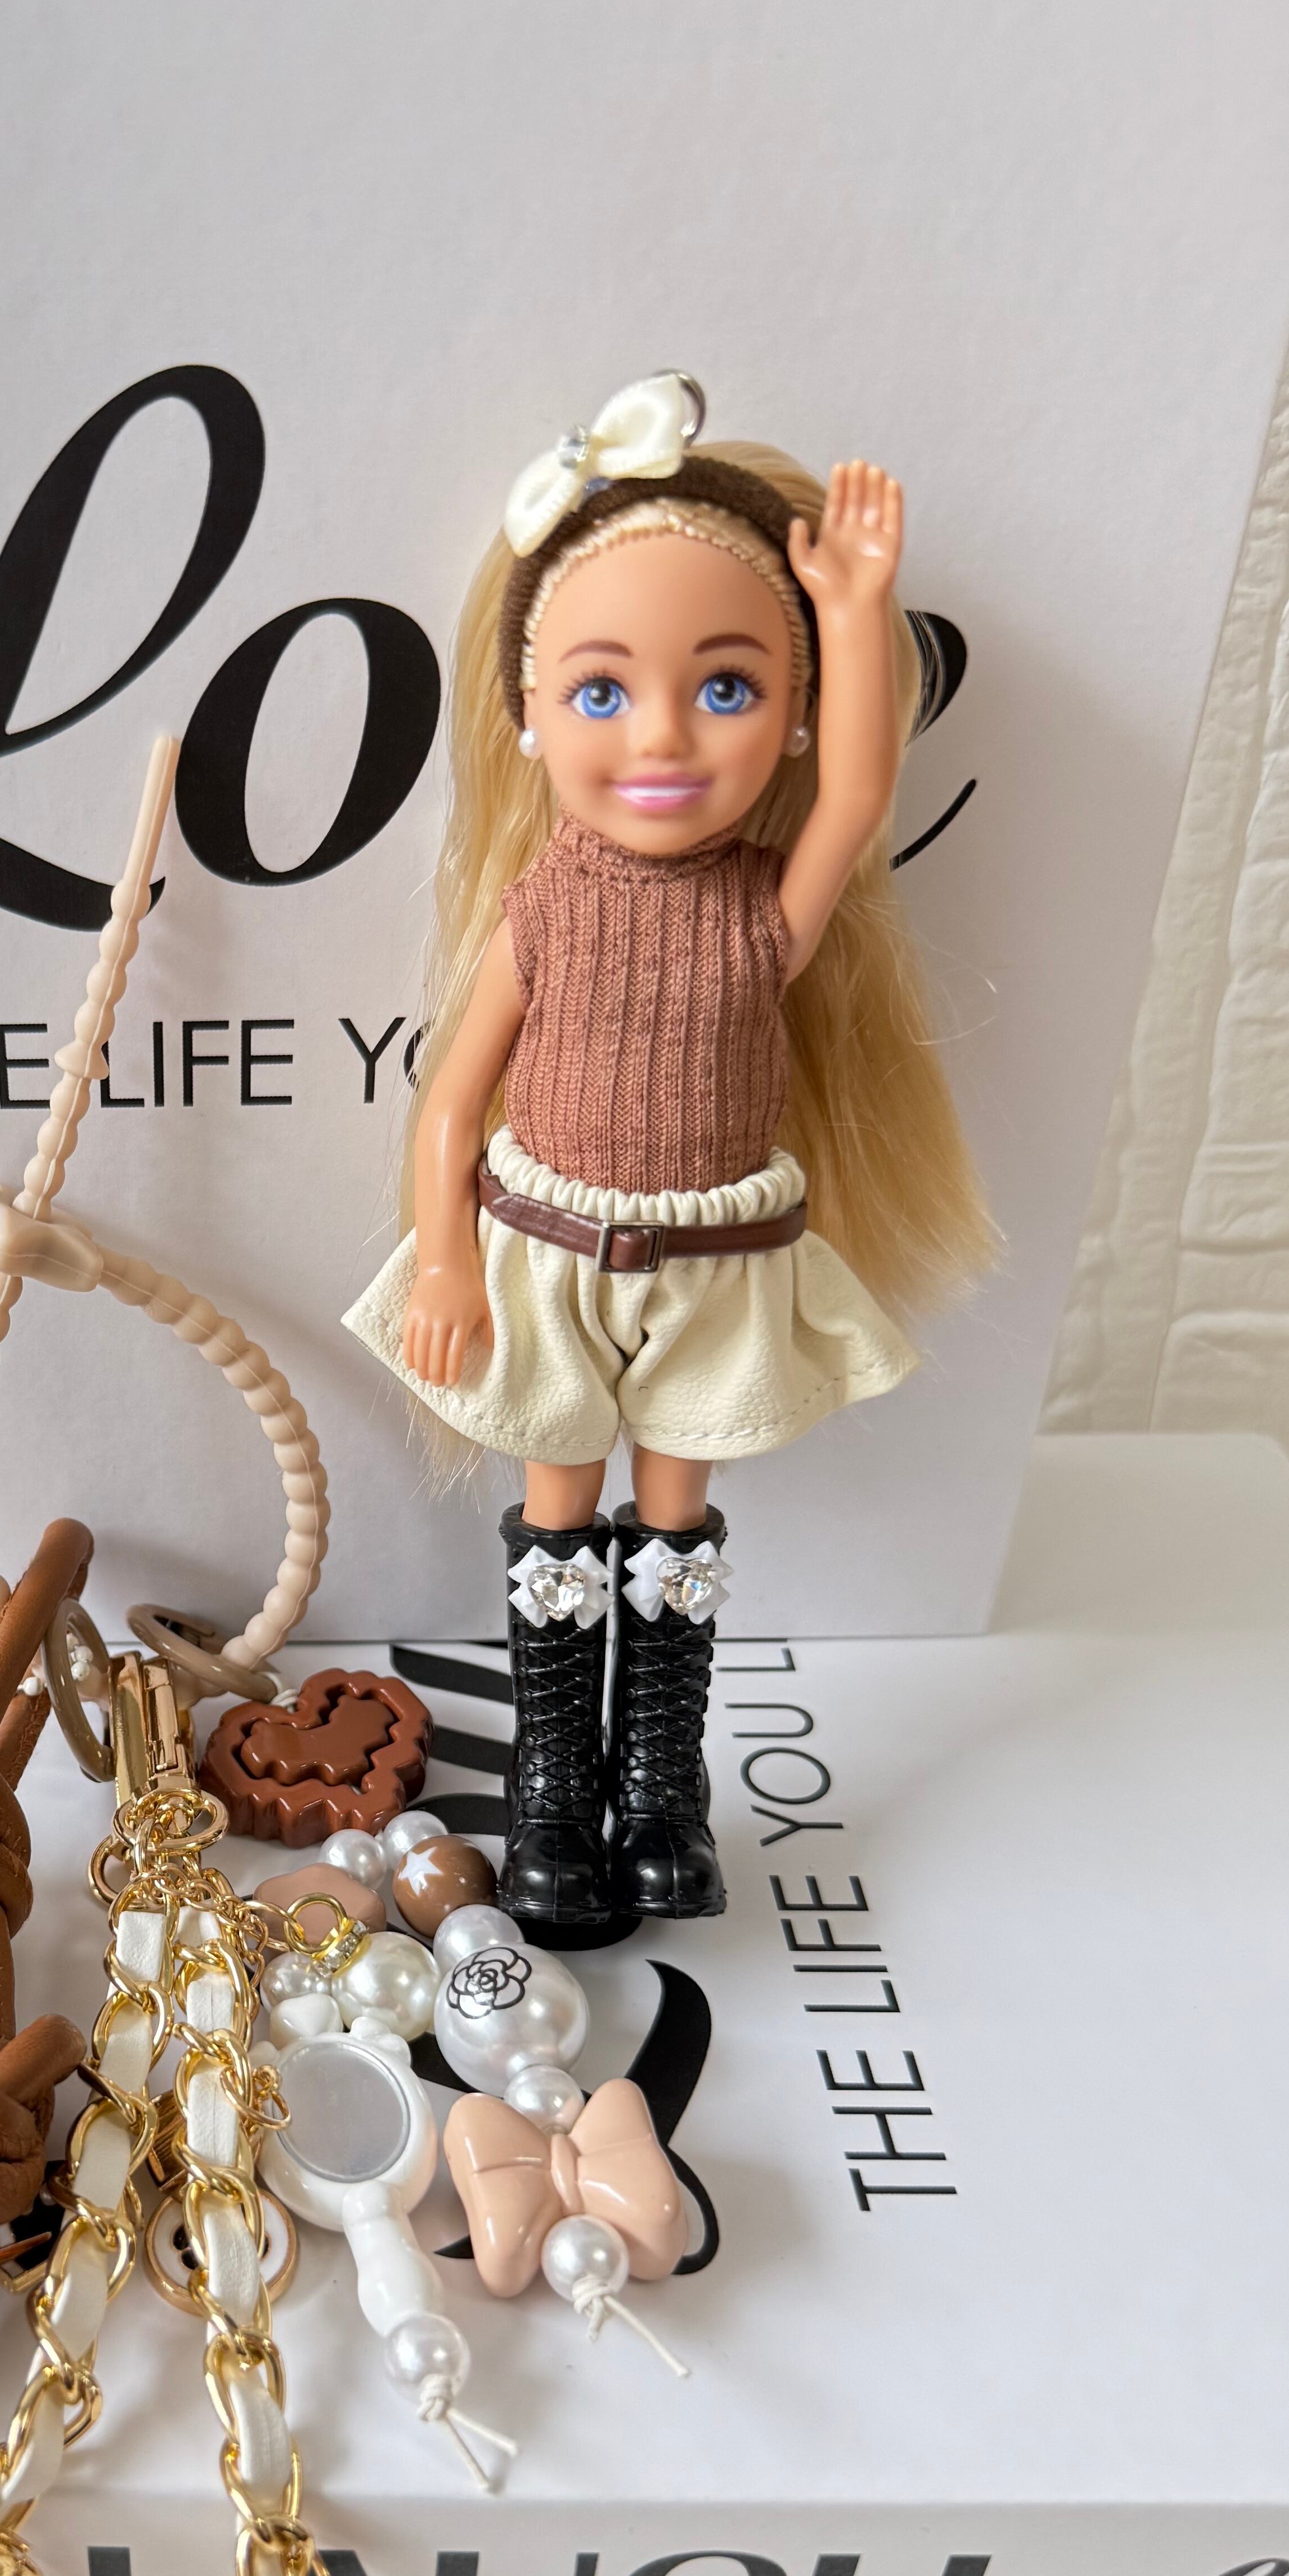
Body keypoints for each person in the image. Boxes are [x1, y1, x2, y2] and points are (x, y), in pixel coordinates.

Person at [345, 375, 992, 1938]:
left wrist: (856, 612)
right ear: (524, 714)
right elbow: (449, 1106)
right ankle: (551, 1798)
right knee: (558, 1533)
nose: (659, 738)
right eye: (597, 691)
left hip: (713, 1266)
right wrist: (445, 1262)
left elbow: (861, 792)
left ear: (790, 712)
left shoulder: (766, 909)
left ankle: (659, 1790)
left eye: (726, 687)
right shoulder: (540, 911)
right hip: (546, 1258)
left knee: (675, 1536)